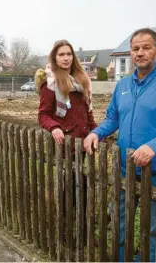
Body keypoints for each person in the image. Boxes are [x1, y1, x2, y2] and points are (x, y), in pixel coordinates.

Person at [83, 28, 156, 262]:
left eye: (146, 47)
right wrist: (96, 133)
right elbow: (113, 118)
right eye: (135, 49)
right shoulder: (123, 84)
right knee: (120, 222)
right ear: (130, 53)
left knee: (153, 230)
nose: (140, 53)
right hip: (125, 169)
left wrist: (154, 145)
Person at [36, 39, 97, 247]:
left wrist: (97, 132)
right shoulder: (50, 83)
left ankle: (84, 233)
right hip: (65, 148)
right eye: (61, 54)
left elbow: (88, 113)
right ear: (54, 58)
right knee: (68, 193)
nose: (65, 58)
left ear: (73, 57)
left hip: (84, 145)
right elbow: (43, 114)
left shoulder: (82, 80)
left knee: (84, 191)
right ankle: (65, 234)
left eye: (68, 54)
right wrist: (54, 127)